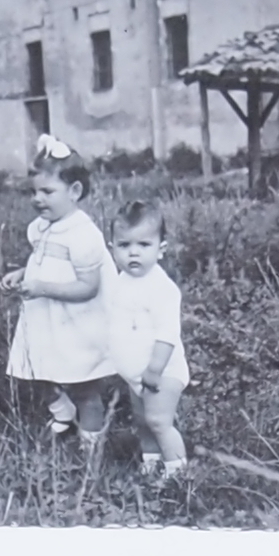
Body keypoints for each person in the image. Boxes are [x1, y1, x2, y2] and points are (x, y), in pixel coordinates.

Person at [3, 138, 119, 452]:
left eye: (47, 192)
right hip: (47, 320)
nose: (38, 199)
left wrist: (41, 288)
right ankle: (61, 411)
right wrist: (23, 274)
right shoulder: (41, 227)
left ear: (75, 192)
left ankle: (90, 447)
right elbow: (42, 261)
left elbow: (88, 287)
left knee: (84, 387)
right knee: (37, 370)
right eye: (33, 191)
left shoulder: (83, 234)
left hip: (79, 322)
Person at [105, 197, 192, 490]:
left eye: (143, 245)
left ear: (161, 249)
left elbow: (167, 333)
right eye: (124, 245)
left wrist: (154, 369)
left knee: (158, 421)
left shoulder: (161, 288)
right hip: (136, 373)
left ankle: (178, 471)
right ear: (112, 248)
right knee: (142, 421)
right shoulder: (120, 282)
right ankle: (151, 461)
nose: (133, 253)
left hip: (161, 371)